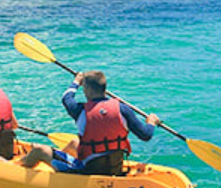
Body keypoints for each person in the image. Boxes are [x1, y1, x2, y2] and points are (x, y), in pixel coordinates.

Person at [20, 70, 160, 175]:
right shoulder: (123, 110)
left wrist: (76, 82)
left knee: (39, 150)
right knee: (75, 143)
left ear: (87, 89)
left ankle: (14, 167)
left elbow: (66, 98)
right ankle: (57, 163)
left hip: (87, 171)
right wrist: (151, 122)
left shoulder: (80, 111)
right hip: (115, 168)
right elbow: (146, 135)